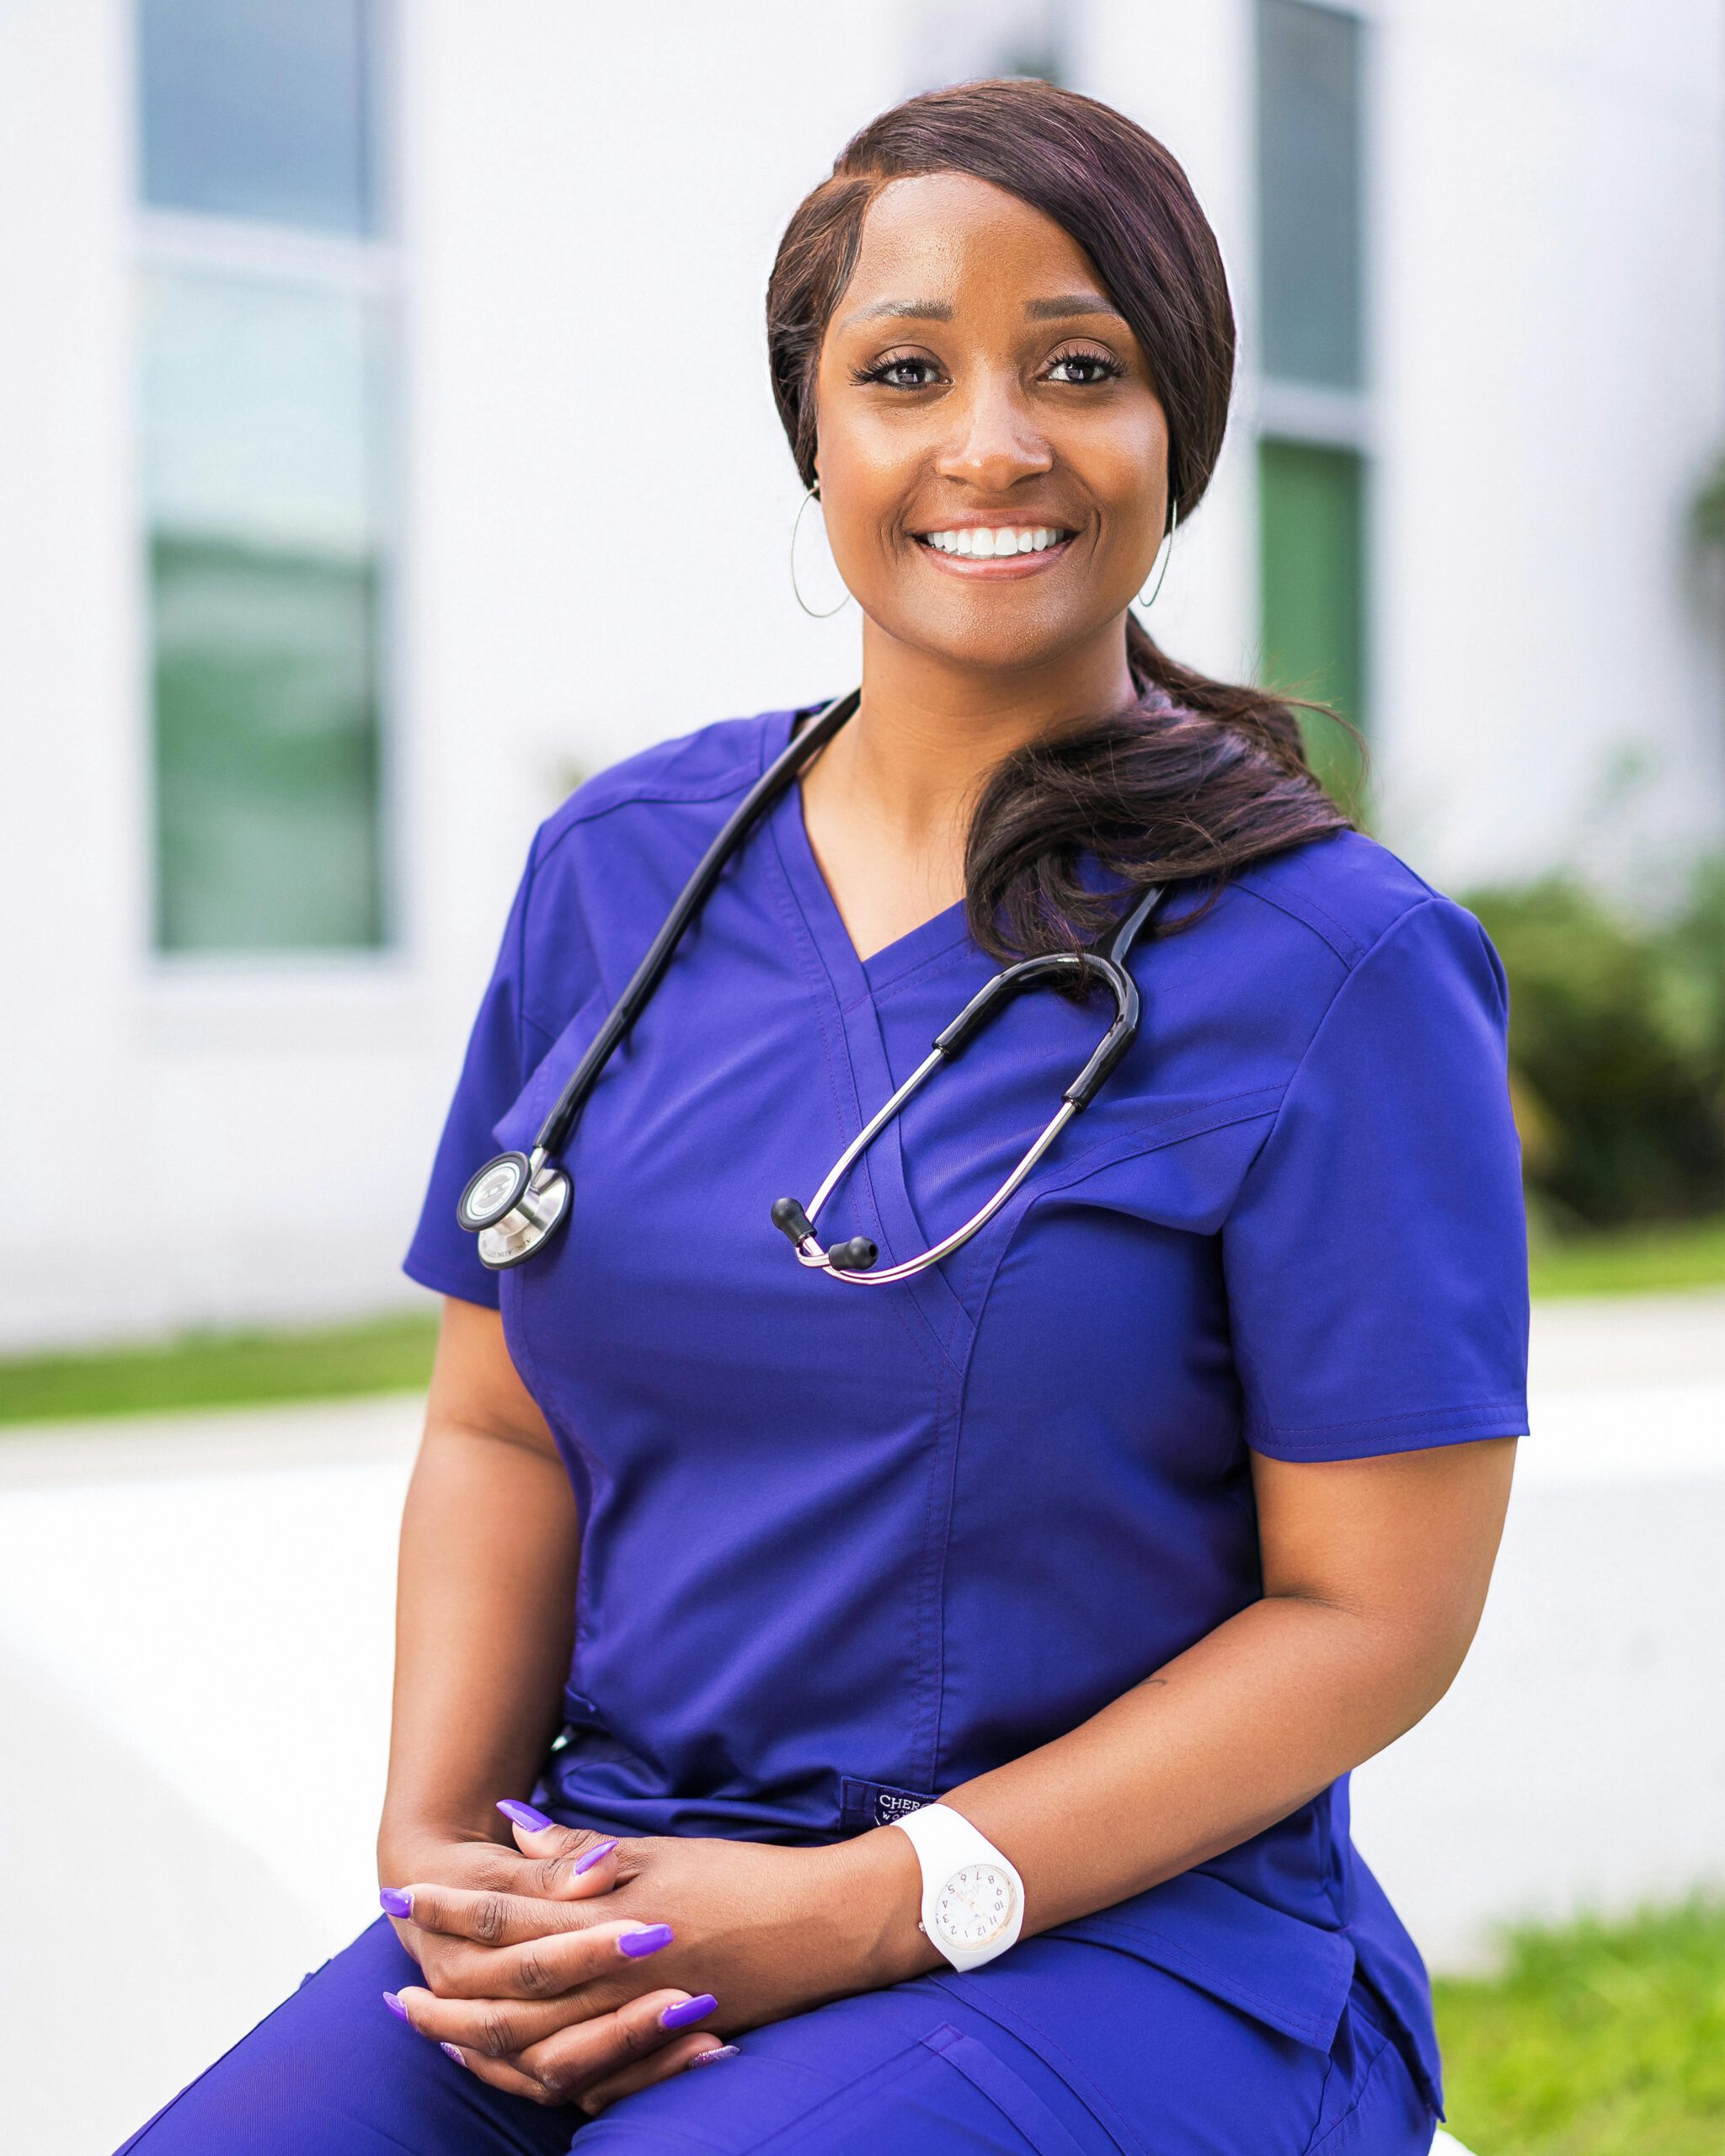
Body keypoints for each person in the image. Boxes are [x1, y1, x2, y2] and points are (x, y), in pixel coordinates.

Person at [120, 78, 1526, 2156]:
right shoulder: (623, 862)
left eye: (1081, 366)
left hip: (1112, 1939)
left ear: (1179, 432)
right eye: (904, 370)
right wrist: (442, 1849)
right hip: (613, 1873)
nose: (992, 440)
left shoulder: (1335, 958)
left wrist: (879, 1899)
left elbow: (1373, 1612)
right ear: (817, 430)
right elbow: (501, 1416)